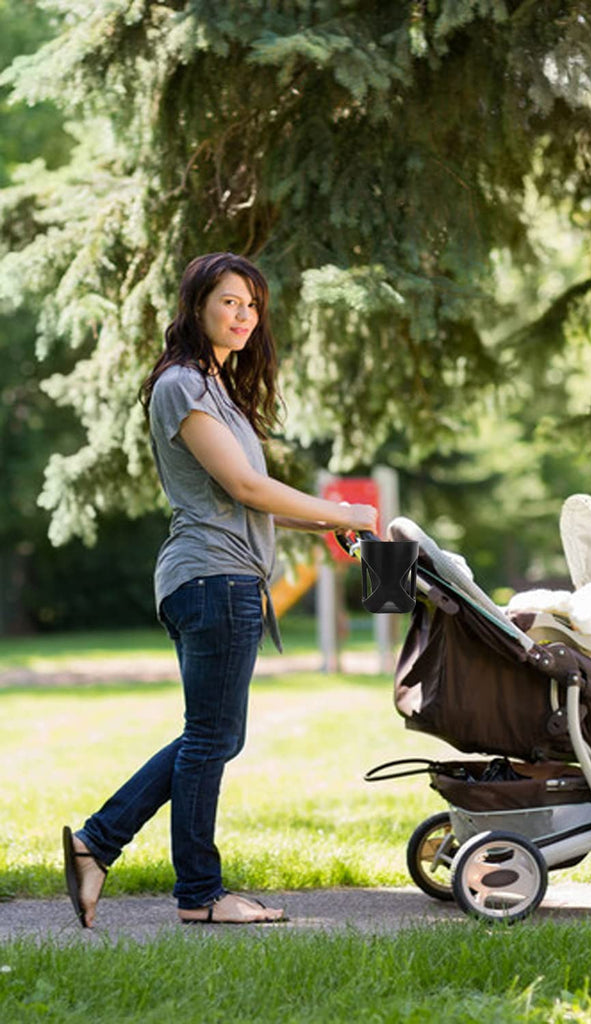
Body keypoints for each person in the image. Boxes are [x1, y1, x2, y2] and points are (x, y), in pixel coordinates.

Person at [62, 252, 376, 926]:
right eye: (229, 300)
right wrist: (343, 509)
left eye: (252, 304)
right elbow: (245, 487)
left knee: (211, 735)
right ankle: (197, 892)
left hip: (218, 576)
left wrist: (328, 524)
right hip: (212, 576)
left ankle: (99, 844)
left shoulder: (219, 390)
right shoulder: (183, 385)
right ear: (198, 303)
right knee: (211, 738)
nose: (242, 315)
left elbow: (254, 503)